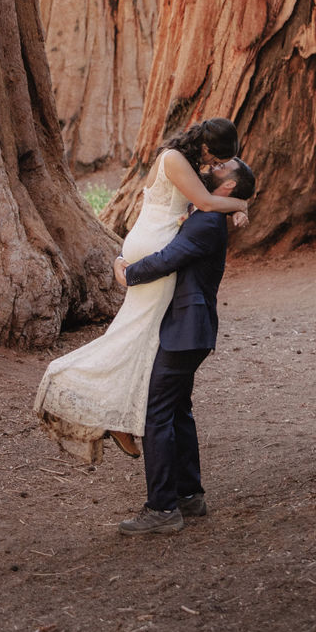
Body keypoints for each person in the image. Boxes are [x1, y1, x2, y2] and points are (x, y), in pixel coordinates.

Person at [34, 118, 249, 463]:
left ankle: (119, 417)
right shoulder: (176, 159)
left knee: (142, 335)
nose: (214, 167)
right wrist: (240, 205)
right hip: (154, 250)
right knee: (136, 336)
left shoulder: (181, 158)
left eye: (219, 165)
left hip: (147, 242)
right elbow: (208, 203)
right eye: (216, 160)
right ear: (207, 147)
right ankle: (86, 393)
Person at [115, 154, 256, 535]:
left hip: (186, 329)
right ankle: (190, 495)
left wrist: (127, 272)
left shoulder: (208, 221)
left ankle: (162, 509)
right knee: (176, 409)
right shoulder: (206, 214)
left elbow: (168, 259)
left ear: (228, 187)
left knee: (156, 412)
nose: (210, 168)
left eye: (221, 168)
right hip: (189, 328)